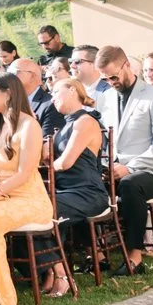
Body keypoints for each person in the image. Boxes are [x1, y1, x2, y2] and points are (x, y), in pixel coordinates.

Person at [0, 72, 54, 305]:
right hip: (0, 195)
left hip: (29, 200)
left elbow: (25, 173)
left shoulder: (30, 126)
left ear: (8, 94)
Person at [97, 44, 153, 270]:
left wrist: (129, 167)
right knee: (84, 183)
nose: (111, 82)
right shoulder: (106, 98)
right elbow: (105, 141)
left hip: (151, 173)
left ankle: (135, 256)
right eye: (105, 79)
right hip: (113, 168)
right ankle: (98, 255)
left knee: (130, 184)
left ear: (127, 66)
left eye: (113, 76)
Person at [45, 74, 107, 293]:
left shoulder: (85, 121)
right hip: (65, 192)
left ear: (72, 90)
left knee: (44, 212)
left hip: (88, 192)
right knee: (33, 208)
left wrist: (44, 167)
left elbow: (66, 162)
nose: (52, 99)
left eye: (55, 93)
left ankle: (59, 274)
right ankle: (52, 271)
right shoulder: (64, 126)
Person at [17, 56, 62, 141]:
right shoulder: (10, 102)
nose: (10, 77)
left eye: (15, 72)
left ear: (32, 76)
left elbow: (45, 141)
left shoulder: (50, 105)